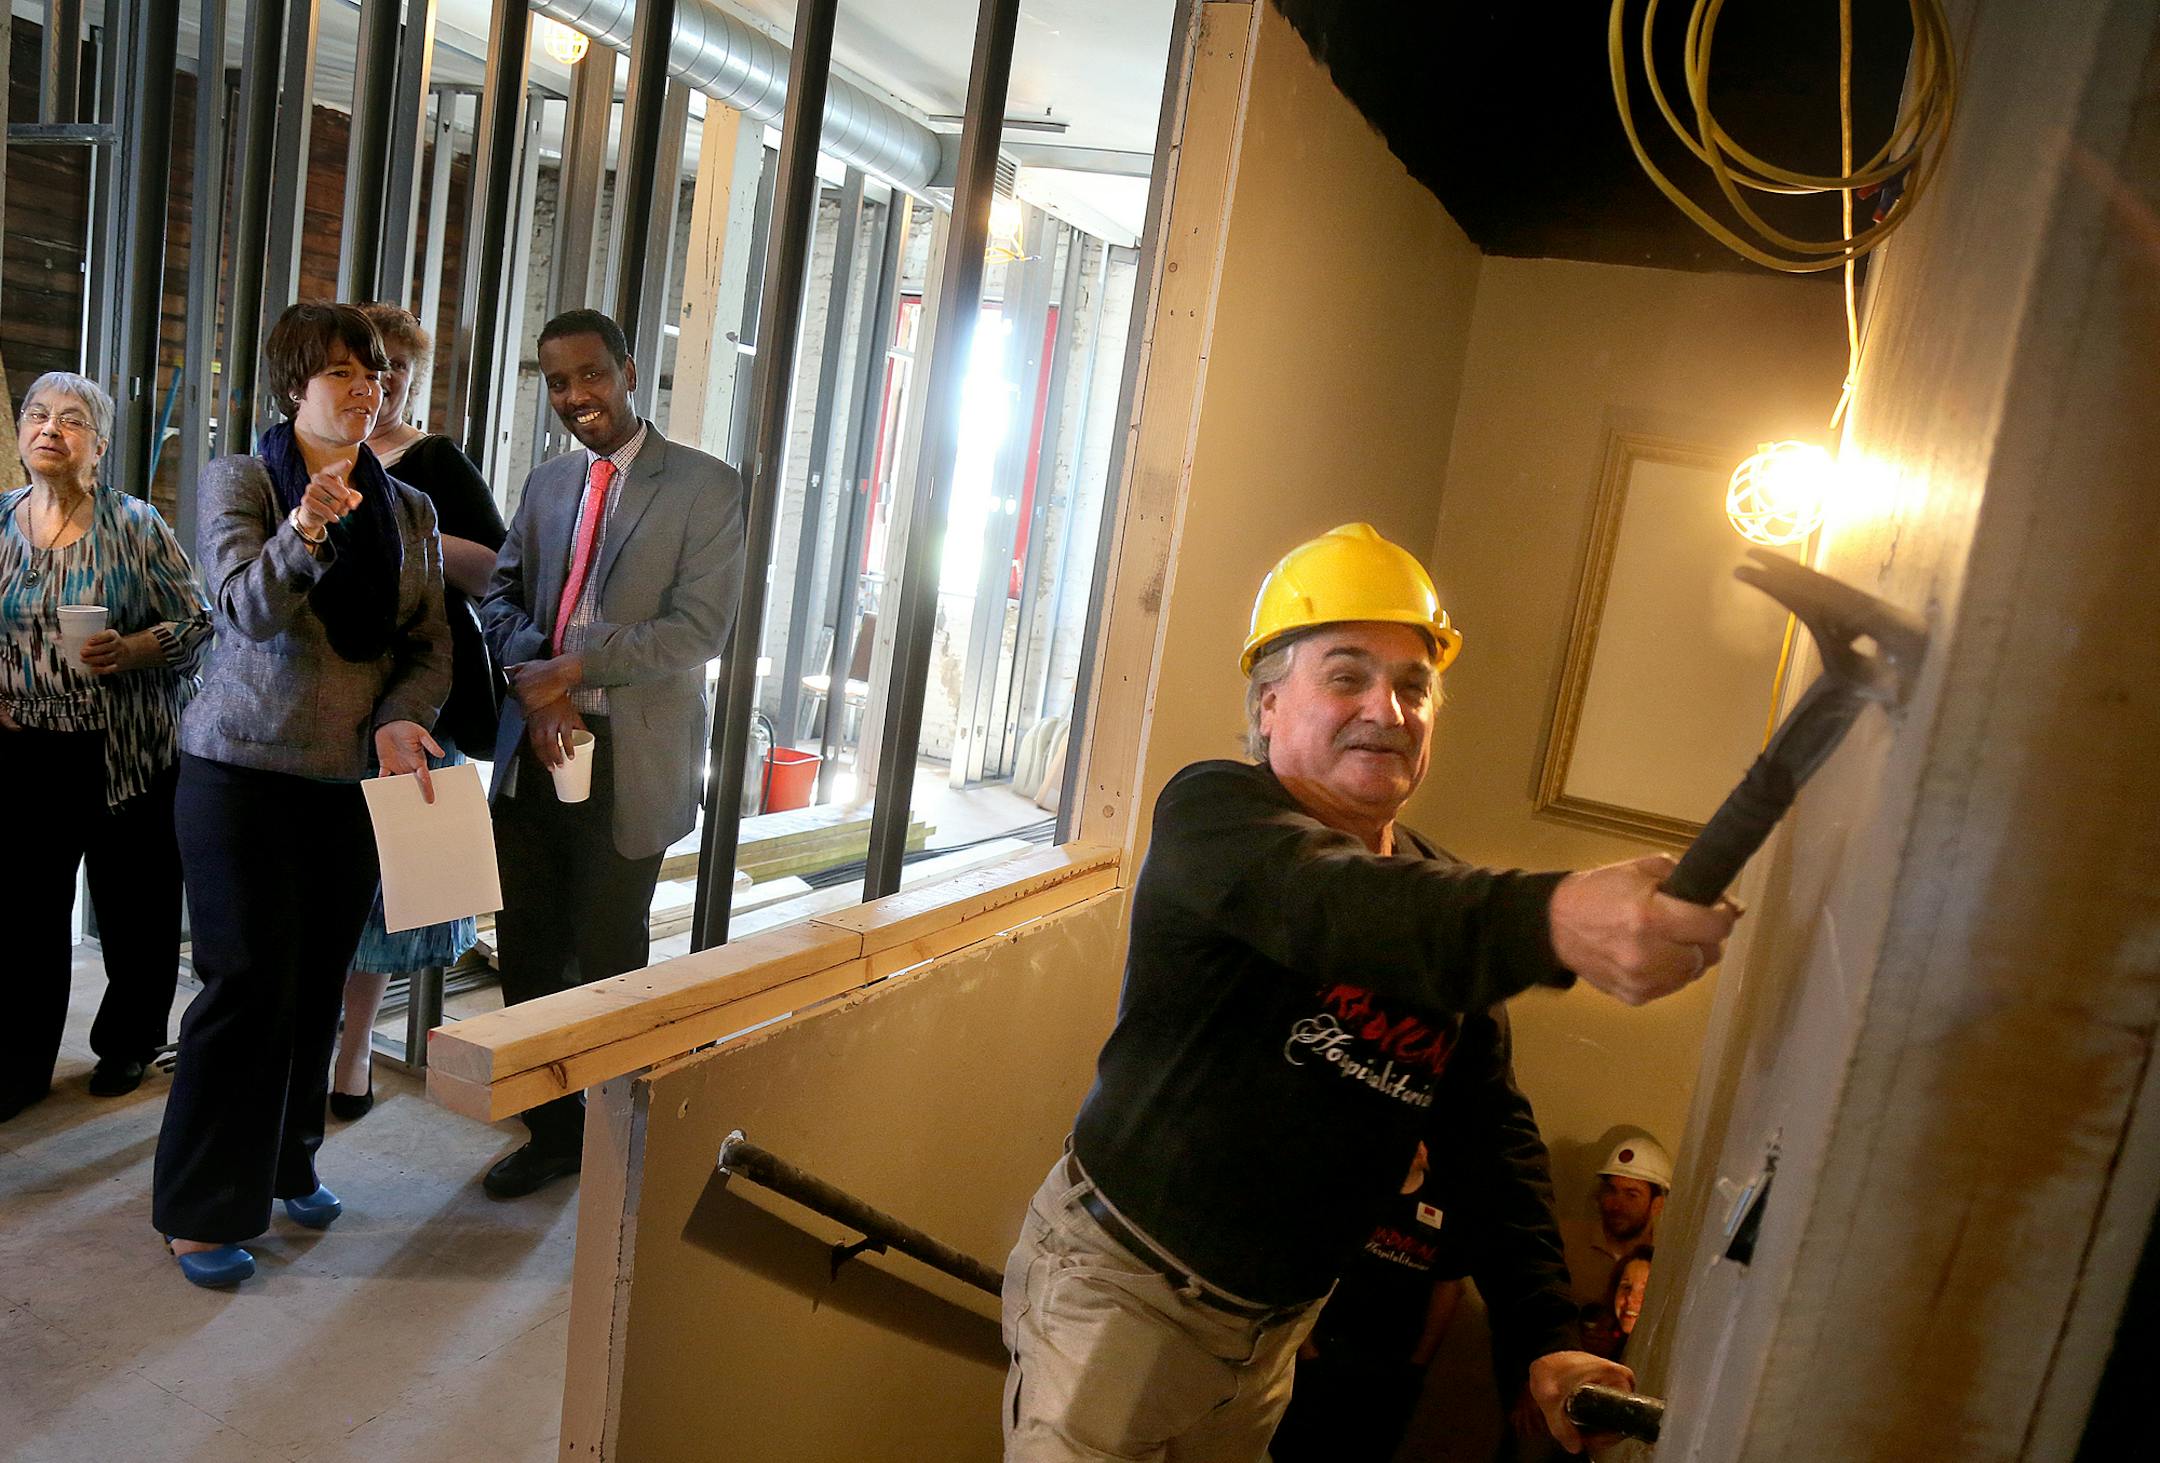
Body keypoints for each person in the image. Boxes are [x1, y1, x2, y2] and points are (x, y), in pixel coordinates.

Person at [1000, 523, 1739, 1461]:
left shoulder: (1434, 893)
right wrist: (1555, 917)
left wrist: (1545, 1338)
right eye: (1346, 675)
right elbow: (1327, 903)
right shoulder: (1214, 818)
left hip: (1273, 1335)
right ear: (1269, 705)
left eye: (1413, 685)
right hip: (1120, 1297)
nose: (1387, 710)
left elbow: (1489, 1136)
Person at [151, 302, 450, 1288]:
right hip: (238, 770)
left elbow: (429, 642)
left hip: (344, 782)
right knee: (243, 986)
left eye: (375, 373)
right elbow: (243, 605)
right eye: (343, 373)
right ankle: (201, 1210)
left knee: (317, 982)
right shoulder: (243, 478)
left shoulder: (409, 509)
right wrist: (305, 525)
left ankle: (289, 1164)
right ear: (293, 386)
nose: (368, 388)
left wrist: (403, 713)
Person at [477, 307, 745, 1199]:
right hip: (534, 755)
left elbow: (698, 630)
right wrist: (535, 681)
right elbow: (503, 594)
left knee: (606, 957)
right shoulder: (549, 483)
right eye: (557, 382)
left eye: (591, 374)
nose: (576, 396)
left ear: (630, 370)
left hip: (632, 765)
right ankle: (549, 1135)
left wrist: (575, 669)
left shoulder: (706, 487)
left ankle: (613, 1133)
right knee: (525, 951)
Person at [0, 373, 210, 1120]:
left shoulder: (135, 523)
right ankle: (19, 1063)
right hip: (26, 752)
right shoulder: (0, 520)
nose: (49, 428)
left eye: (71, 418)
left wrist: (135, 648)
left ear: (100, 442)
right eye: (36, 414)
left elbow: (197, 621)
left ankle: (128, 1041)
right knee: (23, 915)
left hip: (126, 750)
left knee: (136, 906)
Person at [327, 301, 508, 1121]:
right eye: (365, 366)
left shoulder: (435, 460)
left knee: (383, 894)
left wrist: (406, 519)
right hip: (320, 699)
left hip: (413, 693)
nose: (383, 381)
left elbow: (498, 573)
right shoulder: (301, 456)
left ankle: (355, 1049)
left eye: (398, 367)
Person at [1268, 1143, 1471, 1462]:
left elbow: (1448, 1287)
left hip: (1390, 1365)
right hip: (1325, 1350)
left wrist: (1418, 1362)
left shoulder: (1446, 1206)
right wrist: (1306, 1348)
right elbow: (1310, 1260)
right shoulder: (1357, 1190)